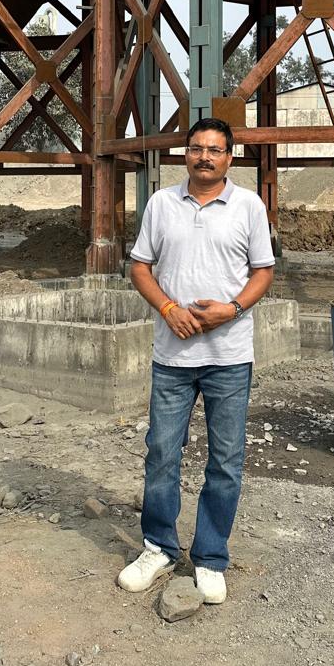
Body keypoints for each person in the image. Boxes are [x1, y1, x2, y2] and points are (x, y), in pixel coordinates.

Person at [119, 117, 275, 604]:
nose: (204, 156)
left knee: (225, 461)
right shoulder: (162, 204)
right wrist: (167, 309)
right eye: (196, 148)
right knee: (162, 453)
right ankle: (159, 547)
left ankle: (210, 557)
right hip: (172, 357)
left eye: (215, 149)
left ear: (230, 157)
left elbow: (263, 271)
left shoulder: (248, 206)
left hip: (228, 357)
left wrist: (231, 309)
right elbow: (139, 267)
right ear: (184, 154)